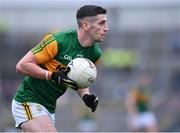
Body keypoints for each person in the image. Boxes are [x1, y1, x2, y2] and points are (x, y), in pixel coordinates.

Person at [11, 5, 108, 132]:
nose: (106, 28)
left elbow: (79, 79)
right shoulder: (58, 41)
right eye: (101, 23)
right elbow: (21, 66)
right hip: (28, 100)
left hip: (49, 108)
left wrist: (85, 96)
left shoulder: (95, 53)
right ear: (85, 25)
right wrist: (52, 75)